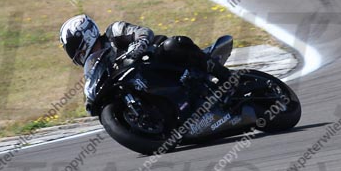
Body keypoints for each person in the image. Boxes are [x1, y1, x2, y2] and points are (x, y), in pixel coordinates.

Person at [59, 14, 231, 110]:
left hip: (158, 60)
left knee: (174, 44)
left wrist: (139, 44)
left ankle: (227, 79)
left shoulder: (114, 32)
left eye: (74, 46)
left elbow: (143, 32)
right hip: (146, 88)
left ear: (86, 34)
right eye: (70, 49)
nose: (74, 52)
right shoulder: (96, 68)